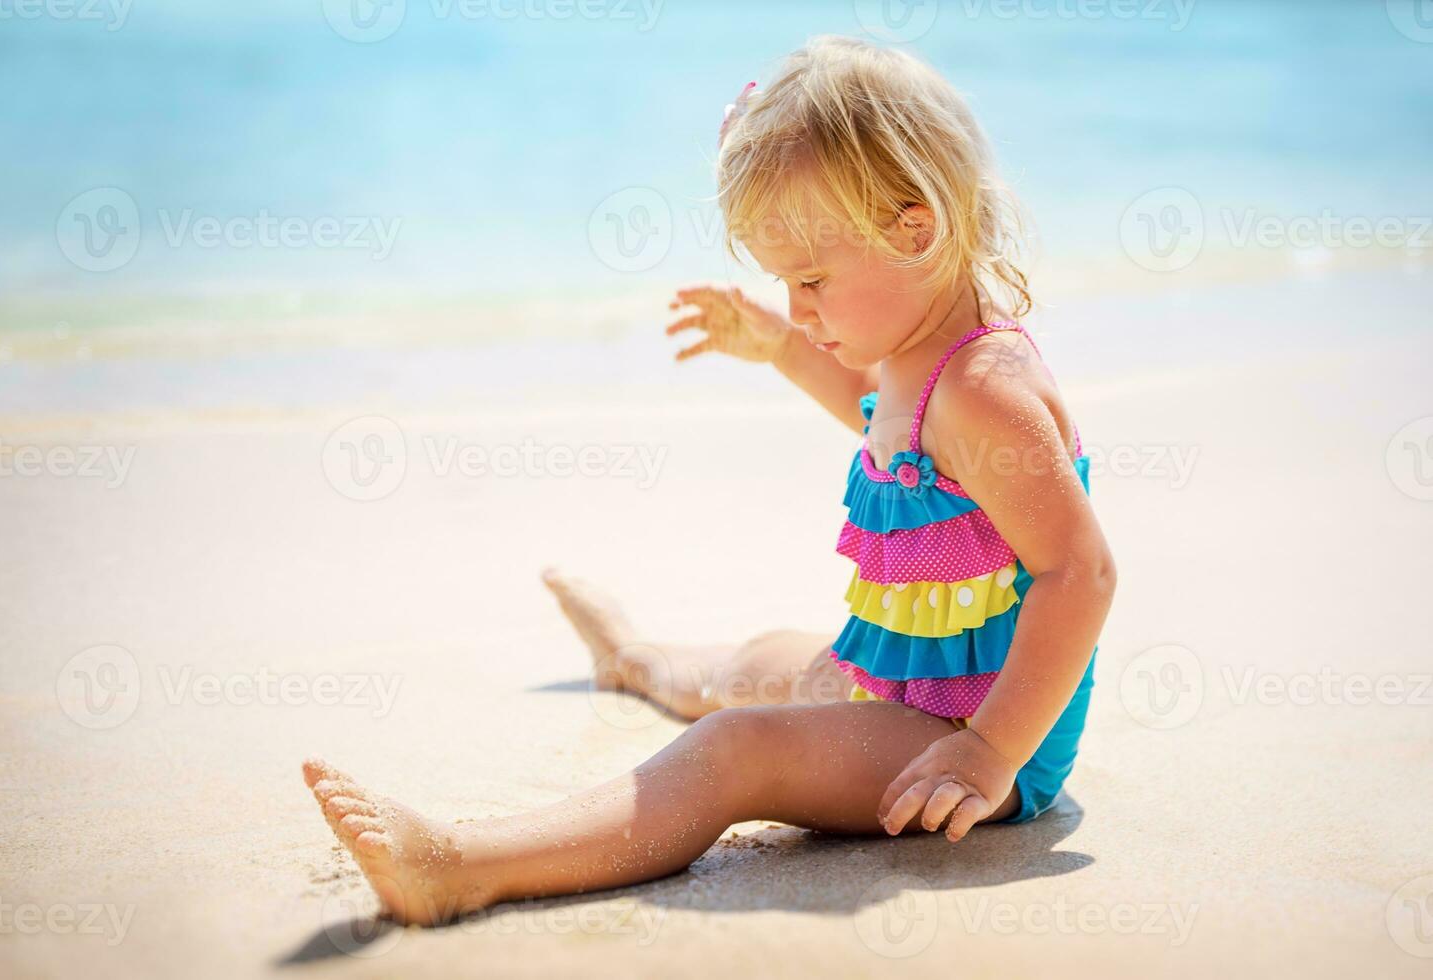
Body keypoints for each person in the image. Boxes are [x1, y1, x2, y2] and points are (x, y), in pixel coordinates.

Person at [302, 34, 1115, 927]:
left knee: (735, 750)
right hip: (908, 689)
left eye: (811, 279)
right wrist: (778, 348)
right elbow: (883, 427)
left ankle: (462, 863)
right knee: (759, 661)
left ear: (913, 226)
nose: (800, 308)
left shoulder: (985, 389)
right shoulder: (916, 353)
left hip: (973, 741)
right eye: (784, 284)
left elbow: (1080, 572)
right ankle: (631, 660)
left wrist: (991, 752)